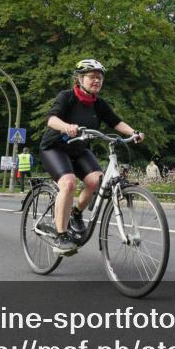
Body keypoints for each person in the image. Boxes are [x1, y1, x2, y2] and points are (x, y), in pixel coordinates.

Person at [38, 59, 144, 253]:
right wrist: (66, 126)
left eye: (100, 77)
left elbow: (115, 122)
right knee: (68, 183)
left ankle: (76, 213)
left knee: (97, 181)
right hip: (55, 147)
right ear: (80, 79)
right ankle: (61, 236)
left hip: (78, 150)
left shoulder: (98, 104)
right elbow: (51, 119)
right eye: (92, 77)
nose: (97, 81)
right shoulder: (67, 97)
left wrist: (133, 133)